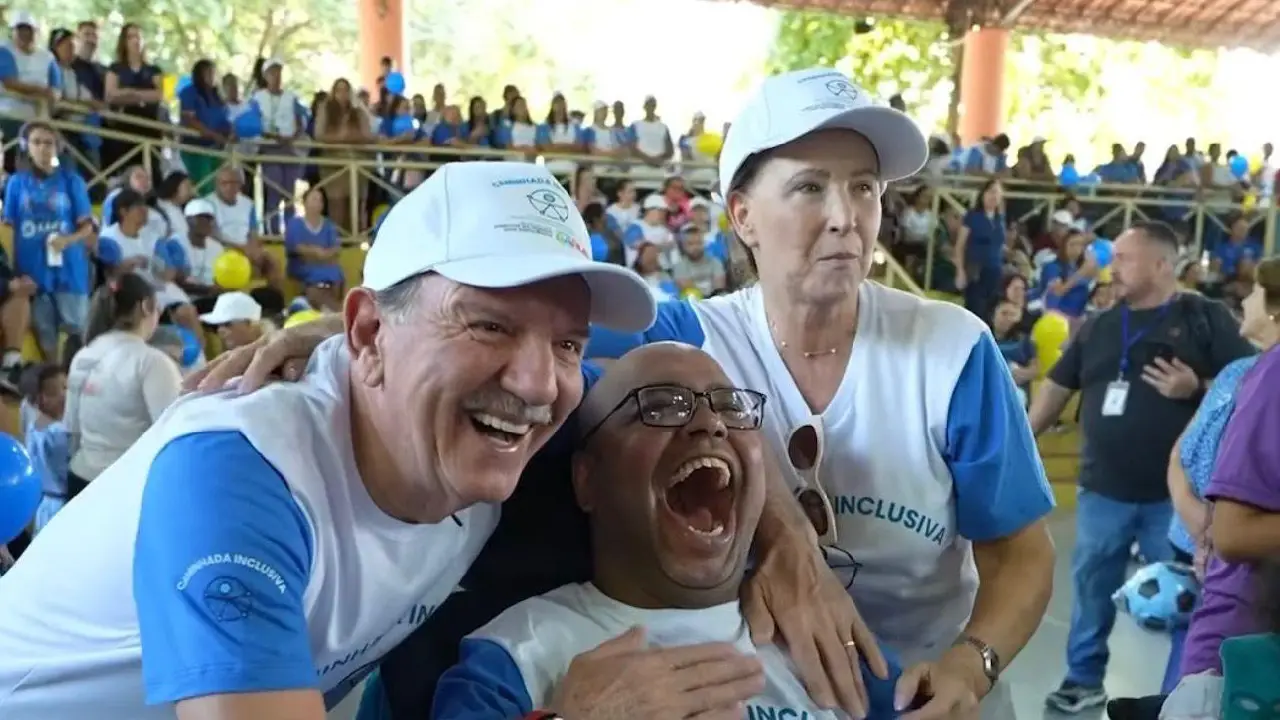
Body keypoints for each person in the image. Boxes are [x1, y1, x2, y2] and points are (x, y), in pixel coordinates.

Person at [196, 69, 1056, 720]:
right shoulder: (681, 335)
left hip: (925, 681)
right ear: (742, 216)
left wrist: (972, 663)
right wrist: (342, 336)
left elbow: (1023, 550)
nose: (846, 215)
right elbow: (514, 332)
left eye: (865, 188)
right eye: (810, 186)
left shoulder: (951, 348)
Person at [0, 161, 661, 719]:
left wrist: (772, 522)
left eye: (567, 343)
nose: (537, 383)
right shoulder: (240, 469)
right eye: (488, 326)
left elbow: (709, 366)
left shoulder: (499, 417)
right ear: (370, 333)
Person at [428, 342, 905, 720]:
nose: (710, 423)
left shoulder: (818, 633)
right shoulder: (516, 654)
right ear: (587, 479)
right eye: (659, 405)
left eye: (731, 407)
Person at [1028, 221, 1256, 714]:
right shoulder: (1101, 324)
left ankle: (1182, 694)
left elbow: (1253, 384)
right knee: (1091, 587)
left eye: (1125, 258)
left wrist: (1195, 386)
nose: (1114, 268)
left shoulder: (1204, 318)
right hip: (1102, 488)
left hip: (1172, 502)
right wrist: (1023, 443)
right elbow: (1057, 386)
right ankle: (1081, 680)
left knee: (1188, 599)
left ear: (1161, 263)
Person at [62, 273, 180, 500]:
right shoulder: (151, 361)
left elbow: (72, 429)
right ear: (146, 306)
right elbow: (171, 435)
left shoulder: (84, 354)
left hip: (82, 477)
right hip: (126, 484)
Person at [1, 120, 96, 363]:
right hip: (33, 273)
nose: (43, 148)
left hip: (70, 271)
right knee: (46, 339)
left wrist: (68, 240)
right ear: (26, 147)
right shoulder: (16, 183)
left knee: (78, 335)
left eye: (49, 143)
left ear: (58, 147)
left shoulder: (72, 181)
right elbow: (9, 227)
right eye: (37, 142)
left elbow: (87, 227)